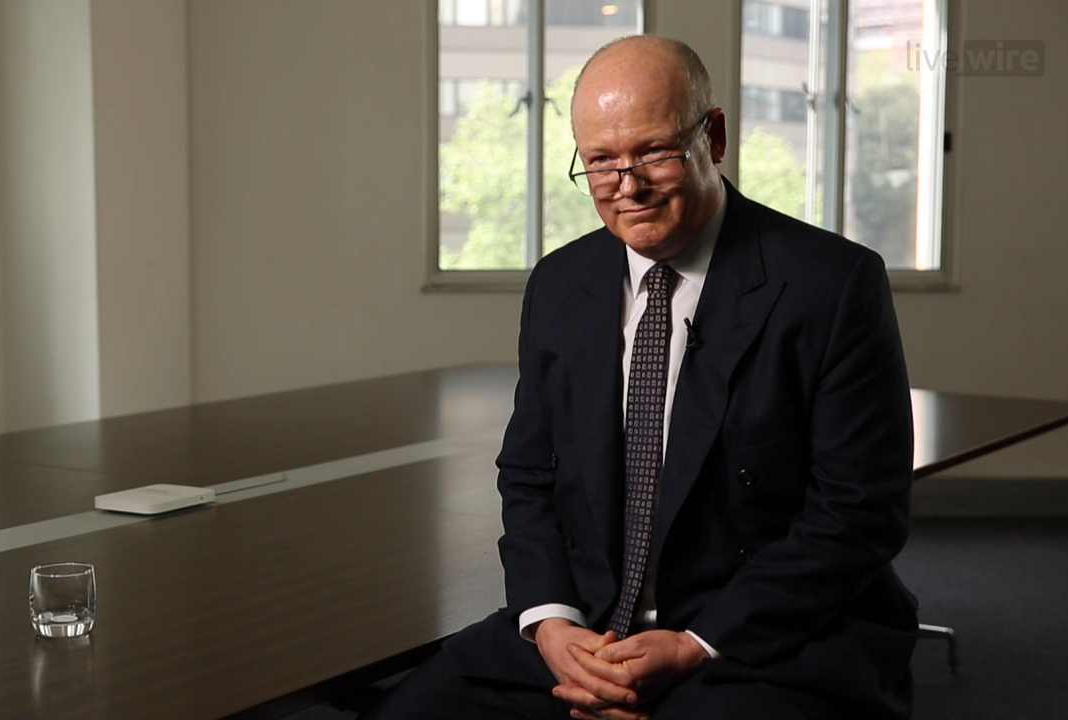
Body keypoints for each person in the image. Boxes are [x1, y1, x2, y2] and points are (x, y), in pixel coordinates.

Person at [366, 35, 917, 720]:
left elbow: (858, 512)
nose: (627, 186)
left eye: (654, 152)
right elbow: (530, 475)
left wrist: (693, 645)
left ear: (714, 137)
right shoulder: (559, 285)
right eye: (601, 161)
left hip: (757, 633)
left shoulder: (832, 284)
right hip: (589, 628)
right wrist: (552, 623)